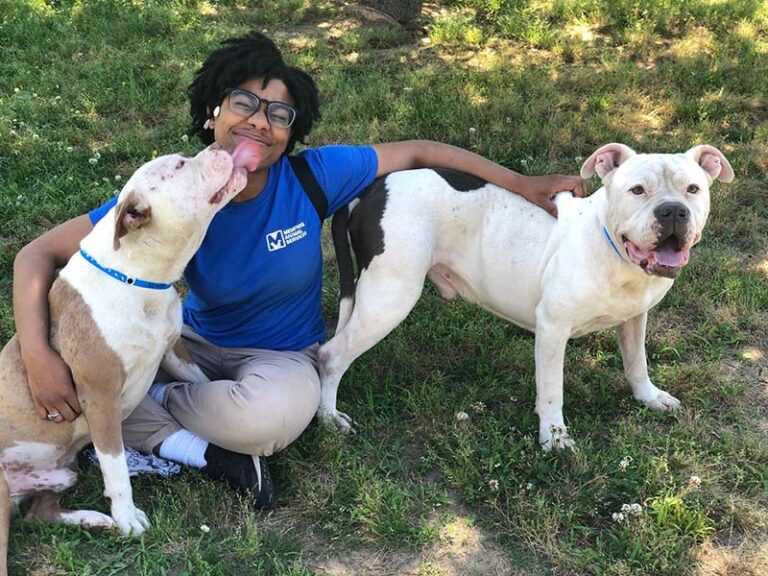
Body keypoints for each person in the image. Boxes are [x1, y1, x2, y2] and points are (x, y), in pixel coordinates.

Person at [13, 31, 586, 509]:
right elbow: (35, 254)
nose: (260, 122)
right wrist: (39, 357)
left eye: (279, 114)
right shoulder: (176, 192)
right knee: (110, 380)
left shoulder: (312, 178)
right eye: (244, 103)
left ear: (293, 131)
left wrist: (520, 183)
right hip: (183, 343)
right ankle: (173, 437)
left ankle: (134, 419)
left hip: (280, 356)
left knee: (272, 420)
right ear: (215, 108)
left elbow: (418, 152)